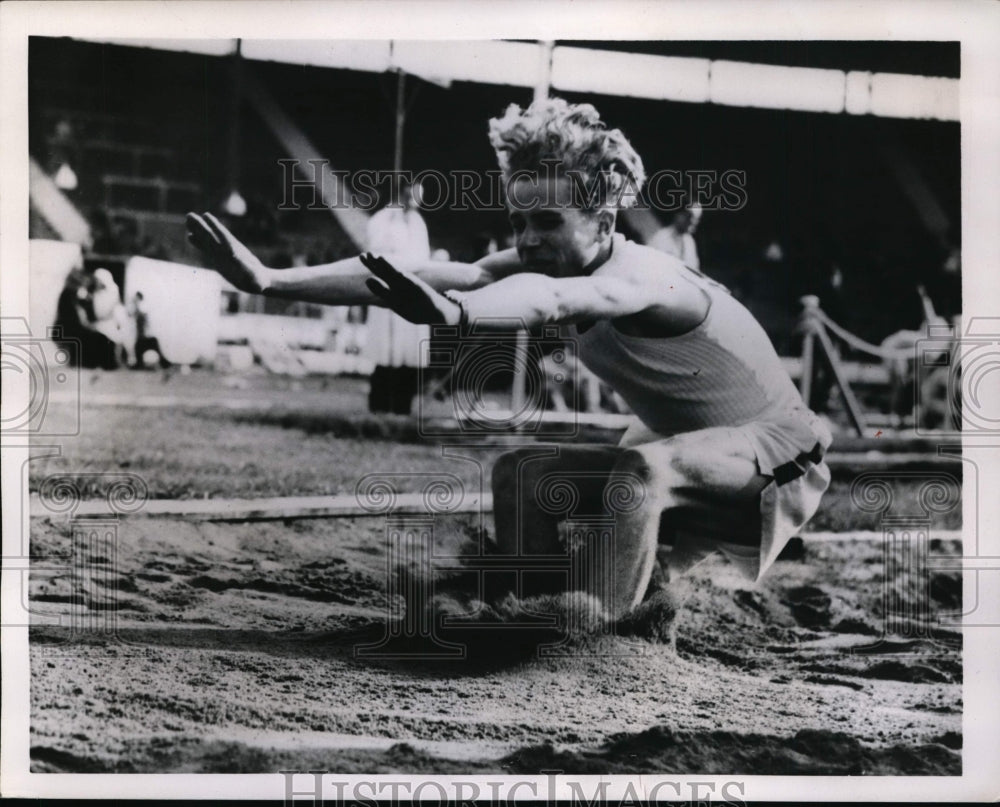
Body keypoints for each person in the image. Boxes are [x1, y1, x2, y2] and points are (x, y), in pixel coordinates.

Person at [186, 98, 831, 626]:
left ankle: (593, 646)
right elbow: (420, 271)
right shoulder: (550, 255)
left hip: (774, 457)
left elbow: (548, 300)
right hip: (693, 445)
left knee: (642, 470)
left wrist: (459, 318)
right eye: (519, 221)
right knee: (521, 474)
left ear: (604, 221)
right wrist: (269, 280)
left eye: (547, 222)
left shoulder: (648, 277)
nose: (527, 240)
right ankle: (531, 619)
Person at [362, 179, 432, 415]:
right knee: (386, 353)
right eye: (411, 197)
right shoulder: (383, 220)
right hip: (388, 292)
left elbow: (423, 257)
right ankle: (380, 406)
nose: (415, 204)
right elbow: (373, 249)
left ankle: (402, 408)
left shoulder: (417, 222)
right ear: (402, 194)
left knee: (409, 355)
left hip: (412, 292)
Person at [647, 203, 702, 271]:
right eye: (689, 216)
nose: (693, 221)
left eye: (696, 219)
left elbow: (694, 270)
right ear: (678, 214)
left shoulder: (690, 243)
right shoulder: (661, 237)